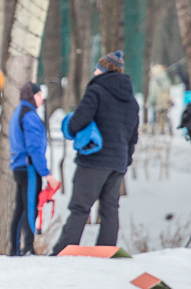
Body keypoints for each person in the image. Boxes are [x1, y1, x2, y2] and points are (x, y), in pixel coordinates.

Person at [51, 50, 140, 255]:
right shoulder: (132, 101)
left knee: (80, 207)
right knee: (110, 209)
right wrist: (124, 161)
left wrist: (70, 125)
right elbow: (133, 136)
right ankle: (106, 251)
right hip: (117, 162)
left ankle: (62, 251)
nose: (94, 71)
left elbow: (77, 123)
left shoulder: (97, 91)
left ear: (103, 69)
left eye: (97, 68)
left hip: (94, 160)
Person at [9, 82, 60, 255]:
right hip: (29, 167)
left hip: (19, 166)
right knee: (30, 207)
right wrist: (46, 173)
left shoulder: (18, 112)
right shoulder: (30, 115)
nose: (42, 98)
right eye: (39, 95)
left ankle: (15, 249)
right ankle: (29, 247)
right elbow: (34, 148)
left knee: (20, 209)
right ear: (31, 96)